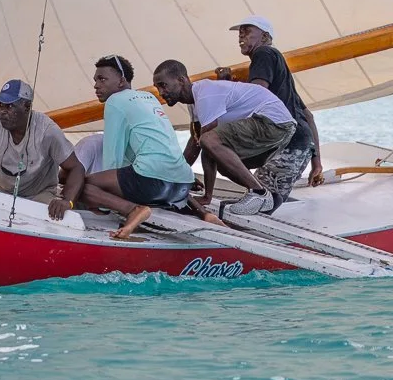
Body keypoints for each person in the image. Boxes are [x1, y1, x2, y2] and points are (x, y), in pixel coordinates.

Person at [77, 55, 214, 240]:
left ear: (121, 81)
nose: (96, 85)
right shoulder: (149, 97)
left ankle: (135, 210)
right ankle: (206, 215)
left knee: (81, 185)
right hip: (182, 186)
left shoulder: (115, 101)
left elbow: (113, 157)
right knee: (154, 173)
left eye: (102, 79)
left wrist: (106, 204)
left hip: (152, 185)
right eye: (95, 80)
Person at [153, 59, 295, 218]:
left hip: (273, 122)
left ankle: (259, 192)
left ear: (181, 80)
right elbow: (196, 142)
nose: (161, 92)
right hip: (279, 127)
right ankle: (268, 197)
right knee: (220, 160)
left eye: (163, 85)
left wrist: (175, 178)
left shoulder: (205, 94)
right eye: (157, 88)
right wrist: (182, 177)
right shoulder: (194, 102)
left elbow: (205, 141)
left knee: (210, 141)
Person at [216, 15, 324, 207]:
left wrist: (225, 83)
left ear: (264, 36)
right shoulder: (281, 73)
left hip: (288, 142)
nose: (241, 36)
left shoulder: (263, 54)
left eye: (247, 31)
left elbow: (256, 93)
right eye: (240, 33)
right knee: (268, 197)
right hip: (302, 142)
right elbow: (308, 116)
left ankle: (242, 230)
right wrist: (317, 163)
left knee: (262, 199)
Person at [0, 80, 84, 221]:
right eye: (0, 105)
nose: (2, 112)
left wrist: (68, 201)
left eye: (10, 106)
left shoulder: (47, 131)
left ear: (27, 106)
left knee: (54, 220)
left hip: (38, 194)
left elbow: (76, 168)